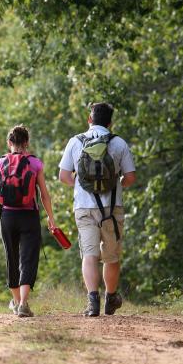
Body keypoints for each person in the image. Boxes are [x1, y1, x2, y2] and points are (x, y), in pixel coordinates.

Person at [58, 102, 136, 317]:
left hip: (83, 206)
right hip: (112, 208)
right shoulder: (119, 143)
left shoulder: (75, 142)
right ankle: (110, 298)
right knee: (111, 256)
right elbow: (130, 177)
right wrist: (115, 182)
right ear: (110, 123)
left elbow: (64, 176)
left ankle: (92, 301)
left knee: (89, 254)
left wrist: (84, 184)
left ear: (89, 119)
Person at [0, 125, 56, 317]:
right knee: (28, 259)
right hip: (29, 216)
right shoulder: (35, 164)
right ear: (27, 142)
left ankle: (15, 301)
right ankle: (23, 303)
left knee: (11, 258)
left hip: (7, 217)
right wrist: (51, 219)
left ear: (9, 143)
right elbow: (44, 195)